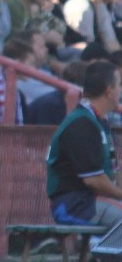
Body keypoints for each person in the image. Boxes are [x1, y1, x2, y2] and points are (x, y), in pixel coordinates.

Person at [47, 60, 122, 228]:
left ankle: (103, 253)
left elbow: (114, 170)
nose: (121, 90)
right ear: (108, 91)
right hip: (74, 206)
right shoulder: (81, 124)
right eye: (119, 85)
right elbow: (94, 180)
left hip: (92, 201)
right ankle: (105, 253)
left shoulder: (98, 120)